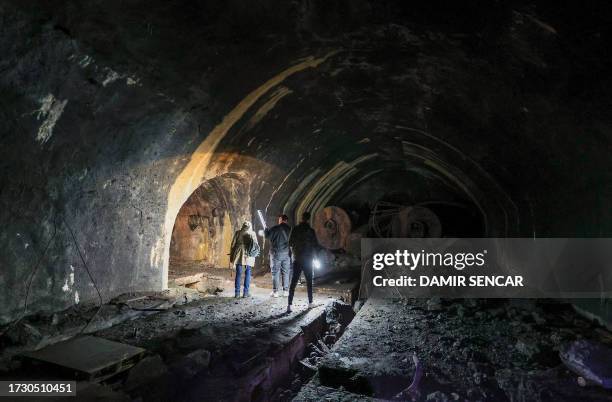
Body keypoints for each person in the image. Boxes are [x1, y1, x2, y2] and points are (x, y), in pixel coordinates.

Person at [287, 211, 321, 312]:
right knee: (309, 282)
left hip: (297, 258)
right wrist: (316, 256)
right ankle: (310, 303)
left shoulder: (295, 229)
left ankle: (289, 305)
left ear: (301, 218)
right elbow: (316, 245)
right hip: (308, 259)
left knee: (293, 282)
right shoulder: (311, 231)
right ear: (309, 219)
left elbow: (290, 242)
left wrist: (294, 251)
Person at [230, 221, 260, 298]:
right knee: (248, 273)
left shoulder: (238, 233)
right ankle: (246, 293)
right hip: (249, 254)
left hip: (239, 254)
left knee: (238, 273)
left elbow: (233, 245)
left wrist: (232, 257)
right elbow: (256, 245)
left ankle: (237, 293)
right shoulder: (252, 233)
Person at [264, 214, 292, 297]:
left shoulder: (275, 228)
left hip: (276, 254)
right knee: (286, 272)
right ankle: (286, 291)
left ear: (280, 220)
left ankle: (275, 292)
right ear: (286, 221)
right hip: (286, 254)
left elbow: (267, 236)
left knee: (275, 272)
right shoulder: (290, 229)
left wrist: (266, 230)